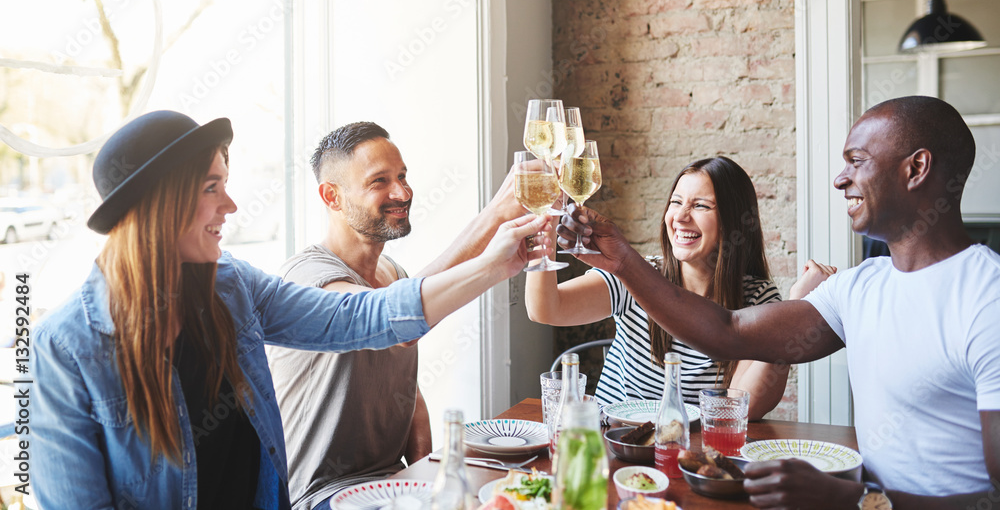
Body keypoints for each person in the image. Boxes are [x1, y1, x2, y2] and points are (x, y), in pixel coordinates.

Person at [30, 110, 547, 510]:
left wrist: (498, 264)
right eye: (212, 188)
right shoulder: (67, 347)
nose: (230, 206)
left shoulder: (230, 288)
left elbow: (364, 320)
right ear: (161, 205)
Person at [557, 96, 1000, 508]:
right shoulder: (860, 286)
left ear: (916, 168)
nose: (840, 179)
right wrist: (624, 260)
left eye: (856, 162)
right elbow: (727, 332)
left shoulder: (987, 297)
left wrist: (853, 498)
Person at [267, 122, 524, 509]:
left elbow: (405, 388)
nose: (402, 193)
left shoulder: (394, 273)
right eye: (379, 181)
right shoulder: (307, 278)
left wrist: (424, 474)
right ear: (331, 196)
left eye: (402, 176)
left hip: (390, 488)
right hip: (320, 497)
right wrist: (492, 220)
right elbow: (391, 322)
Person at [526, 156, 794, 419]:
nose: (680, 216)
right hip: (612, 443)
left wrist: (794, 307)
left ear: (732, 220)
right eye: (676, 202)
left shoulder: (757, 298)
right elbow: (545, 309)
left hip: (687, 451)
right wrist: (545, 219)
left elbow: (742, 409)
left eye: (701, 206)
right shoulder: (638, 273)